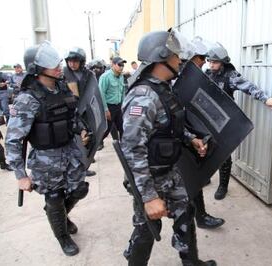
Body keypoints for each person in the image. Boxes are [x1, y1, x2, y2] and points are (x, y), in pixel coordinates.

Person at [121, 30, 216, 266]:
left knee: (186, 213)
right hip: (149, 178)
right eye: (175, 55)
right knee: (147, 229)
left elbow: (168, 126)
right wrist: (149, 196)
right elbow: (132, 150)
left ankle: (191, 262)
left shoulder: (162, 88)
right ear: (161, 57)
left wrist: (190, 138)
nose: (179, 60)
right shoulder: (143, 96)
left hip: (169, 172)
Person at [5, 41, 91, 256]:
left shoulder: (62, 88)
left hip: (70, 152)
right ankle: (62, 236)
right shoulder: (28, 98)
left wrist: (81, 129)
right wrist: (21, 175)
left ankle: (60, 215)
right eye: (52, 64)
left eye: (57, 62)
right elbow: (13, 140)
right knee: (54, 198)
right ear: (37, 68)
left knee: (79, 190)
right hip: (46, 159)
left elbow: (73, 115)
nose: (58, 66)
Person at [206, 42, 272, 200]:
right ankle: (205, 177)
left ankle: (223, 186)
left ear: (223, 62)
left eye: (215, 62)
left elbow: (249, 87)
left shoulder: (231, 76)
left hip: (224, 121)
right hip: (208, 119)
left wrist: (265, 99)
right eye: (210, 61)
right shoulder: (207, 73)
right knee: (207, 149)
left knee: (223, 154)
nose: (211, 64)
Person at [188, 36, 225, 229]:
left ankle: (200, 217)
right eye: (202, 58)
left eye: (210, 59)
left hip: (187, 138)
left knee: (193, 180)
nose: (205, 62)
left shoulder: (188, 76)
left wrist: (192, 137)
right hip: (164, 154)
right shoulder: (171, 80)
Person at [63, 47, 98, 177]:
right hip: (71, 112)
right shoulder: (63, 74)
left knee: (87, 138)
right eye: (69, 61)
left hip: (85, 111)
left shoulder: (88, 74)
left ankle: (84, 163)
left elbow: (95, 91)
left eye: (75, 61)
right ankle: (80, 167)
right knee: (76, 140)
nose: (72, 64)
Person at [98, 56, 126, 150]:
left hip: (118, 107)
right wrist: (106, 110)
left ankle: (124, 147)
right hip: (109, 107)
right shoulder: (105, 77)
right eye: (119, 65)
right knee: (106, 130)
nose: (121, 67)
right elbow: (101, 94)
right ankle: (95, 145)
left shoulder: (121, 76)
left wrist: (123, 105)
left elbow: (122, 92)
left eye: (122, 65)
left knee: (123, 128)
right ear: (113, 65)